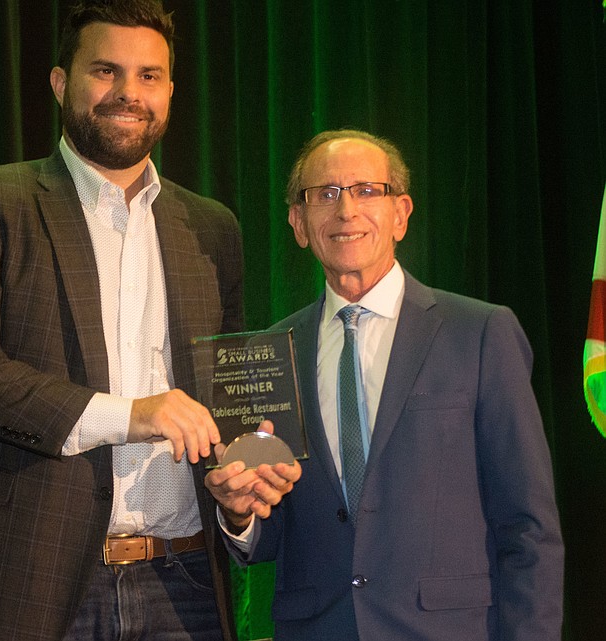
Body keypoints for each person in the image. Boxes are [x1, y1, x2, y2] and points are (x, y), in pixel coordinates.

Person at [0, 2, 244, 640]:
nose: (127, 93)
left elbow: (228, 394)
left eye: (148, 76)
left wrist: (243, 491)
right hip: (27, 579)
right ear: (61, 83)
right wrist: (133, 414)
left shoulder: (213, 228)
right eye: (106, 71)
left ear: (170, 91)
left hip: (186, 582)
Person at [205, 129, 564, 640]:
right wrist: (239, 515)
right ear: (299, 223)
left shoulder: (480, 332)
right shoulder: (265, 354)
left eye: (367, 190)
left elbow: (528, 527)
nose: (346, 210)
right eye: (324, 195)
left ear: (401, 213)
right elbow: (268, 534)